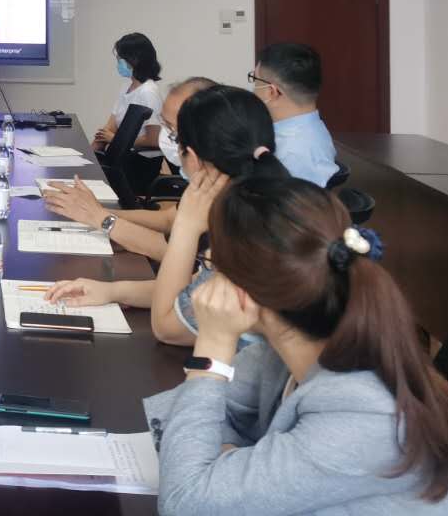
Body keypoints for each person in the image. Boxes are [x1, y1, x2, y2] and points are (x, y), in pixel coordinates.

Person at [143, 176, 448, 515]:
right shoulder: (284, 352)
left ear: (241, 287)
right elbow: (176, 418)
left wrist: (213, 346)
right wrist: (225, 464)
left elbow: (184, 501)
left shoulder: (364, 415)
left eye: (211, 265)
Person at [46, 85, 289, 346]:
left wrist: (186, 226)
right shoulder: (265, 204)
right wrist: (112, 290)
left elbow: (167, 327)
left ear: (193, 158)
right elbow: (193, 289)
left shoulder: (242, 232)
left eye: (174, 134)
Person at [44, 77, 216, 262]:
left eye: (171, 129)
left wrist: (102, 219)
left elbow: (176, 254)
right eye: (164, 125)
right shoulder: (202, 181)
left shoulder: (227, 192)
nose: (165, 135)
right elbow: (168, 220)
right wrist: (95, 211)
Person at [250, 42, 341, 187]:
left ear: (272, 92)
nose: (253, 89)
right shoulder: (309, 128)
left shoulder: (292, 154)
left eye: (255, 80)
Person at [91, 32, 163, 153]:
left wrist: (116, 139)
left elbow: (154, 140)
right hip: (118, 153)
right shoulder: (126, 87)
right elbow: (109, 128)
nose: (118, 63)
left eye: (120, 60)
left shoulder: (149, 92)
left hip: (137, 159)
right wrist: (89, 155)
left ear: (135, 60)